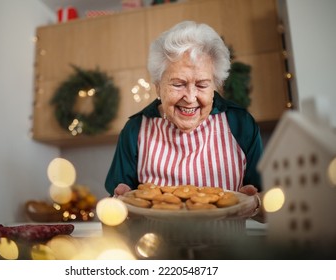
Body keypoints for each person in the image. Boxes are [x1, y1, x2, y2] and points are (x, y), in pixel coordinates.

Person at [105, 21, 263, 219]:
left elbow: (273, 203)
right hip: (154, 248)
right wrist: (120, 204)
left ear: (215, 85)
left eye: (202, 85)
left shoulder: (240, 124)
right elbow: (116, 204)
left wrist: (257, 203)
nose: (190, 97)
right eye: (178, 84)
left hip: (229, 248)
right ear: (158, 87)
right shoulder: (135, 130)